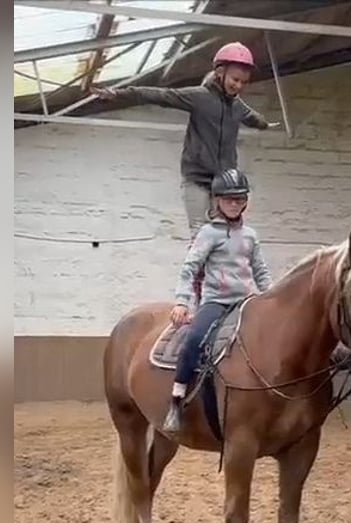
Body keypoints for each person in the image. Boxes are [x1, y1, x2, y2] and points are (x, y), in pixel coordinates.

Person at [91, 41, 279, 238]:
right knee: (200, 233)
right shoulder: (199, 97)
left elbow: (251, 116)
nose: (238, 86)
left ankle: (222, 268)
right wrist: (120, 94)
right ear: (220, 72)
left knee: (226, 235)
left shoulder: (237, 106)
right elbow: (162, 96)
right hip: (197, 178)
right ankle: (198, 267)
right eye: (235, 79)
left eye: (243, 82)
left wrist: (264, 124)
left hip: (224, 184)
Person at [162, 168, 273, 433]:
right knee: (194, 338)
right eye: (228, 199)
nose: (234, 204)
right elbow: (189, 268)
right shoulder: (208, 234)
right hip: (216, 302)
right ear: (217, 201)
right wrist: (181, 301)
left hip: (247, 302)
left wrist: (271, 299)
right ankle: (177, 399)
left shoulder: (250, 236)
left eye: (239, 199)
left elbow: (261, 271)